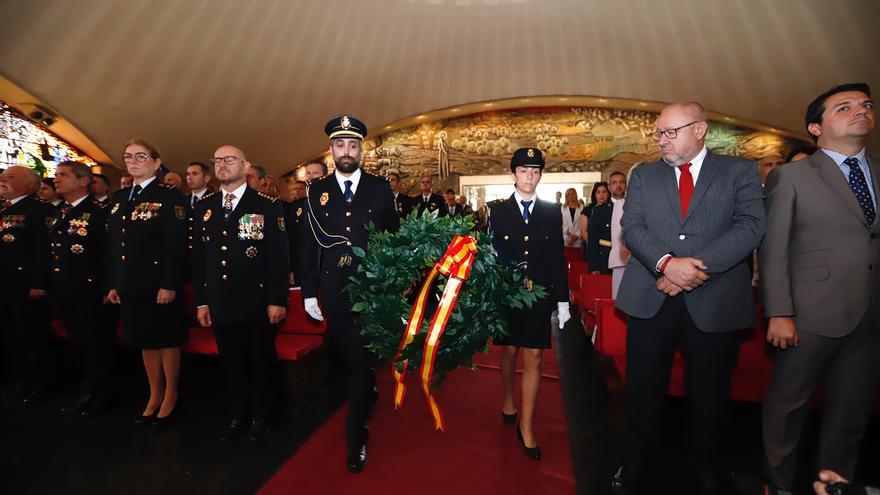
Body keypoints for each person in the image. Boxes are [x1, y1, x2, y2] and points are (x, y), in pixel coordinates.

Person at [613, 102, 764, 494]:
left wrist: (691, 270)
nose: (661, 140)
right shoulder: (644, 175)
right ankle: (634, 460)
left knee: (710, 393)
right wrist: (666, 264)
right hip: (651, 296)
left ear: (700, 130)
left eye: (670, 132)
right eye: (658, 133)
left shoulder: (739, 171)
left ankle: (706, 463)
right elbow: (633, 228)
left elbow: (750, 227)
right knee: (642, 390)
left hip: (715, 299)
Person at [760, 83, 879, 495]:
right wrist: (779, 311)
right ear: (816, 126)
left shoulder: (878, 170)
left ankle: (834, 486)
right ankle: (781, 486)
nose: (860, 111)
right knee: (788, 409)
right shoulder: (791, 176)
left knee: (850, 414)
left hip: (870, 314)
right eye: (844, 107)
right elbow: (773, 247)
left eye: (865, 105)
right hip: (809, 314)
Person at [298, 115, 399, 473]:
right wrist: (309, 292)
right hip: (334, 290)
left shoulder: (380, 189)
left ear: (361, 151)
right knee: (346, 357)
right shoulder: (315, 191)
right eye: (340, 145)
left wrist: (393, 283)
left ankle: (356, 436)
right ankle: (367, 382)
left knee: (358, 359)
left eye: (352, 145)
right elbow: (309, 246)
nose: (346, 151)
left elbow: (393, 239)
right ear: (331, 151)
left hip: (371, 289)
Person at [193, 145, 289, 445]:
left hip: (256, 300)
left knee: (260, 360)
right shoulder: (204, 207)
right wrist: (202, 300)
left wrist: (277, 299)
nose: (222, 164)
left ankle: (262, 415)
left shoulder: (267, 204)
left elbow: (278, 257)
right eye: (217, 160)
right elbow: (200, 259)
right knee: (231, 362)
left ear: (245, 165)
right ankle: (238, 414)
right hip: (221, 301)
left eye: (229, 159)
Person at [490, 147, 570, 461]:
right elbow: (490, 255)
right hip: (508, 295)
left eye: (535, 172)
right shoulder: (497, 211)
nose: (530, 177)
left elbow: (557, 258)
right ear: (513, 175)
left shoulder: (552, 211)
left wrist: (563, 301)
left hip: (539, 294)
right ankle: (509, 396)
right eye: (524, 171)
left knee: (534, 356)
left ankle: (526, 425)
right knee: (509, 350)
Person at [106, 139, 187, 426]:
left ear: (156, 161)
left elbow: (175, 245)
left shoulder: (168, 195)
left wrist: (169, 284)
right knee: (143, 339)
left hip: (158, 283)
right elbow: (116, 244)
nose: (134, 161)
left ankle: (172, 393)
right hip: (131, 282)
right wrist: (115, 283)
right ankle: (154, 393)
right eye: (129, 156)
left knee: (165, 338)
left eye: (141, 156)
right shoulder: (119, 198)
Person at [51, 161, 113, 415]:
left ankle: (101, 394)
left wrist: (108, 287)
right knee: (78, 343)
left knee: (95, 345)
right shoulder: (60, 213)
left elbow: (107, 254)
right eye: (56, 175)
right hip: (65, 289)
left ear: (83, 181)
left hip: (90, 290)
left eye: (63, 175)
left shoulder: (98, 213)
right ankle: (85, 391)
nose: (56, 179)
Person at [0, 165, 53, 401]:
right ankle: (18, 380)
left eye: (10, 177)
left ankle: (40, 383)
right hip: (5, 283)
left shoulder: (38, 210)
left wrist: (39, 283)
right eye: (2, 176)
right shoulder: (4, 209)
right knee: (9, 334)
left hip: (26, 285)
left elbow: (44, 251)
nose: (2, 179)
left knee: (32, 336)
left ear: (29, 184)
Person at [579, 182, 613, 274]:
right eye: (598, 192)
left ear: (608, 193)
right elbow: (584, 231)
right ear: (594, 194)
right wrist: (594, 246)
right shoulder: (588, 209)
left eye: (604, 192)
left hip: (610, 249)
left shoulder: (613, 208)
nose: (601, 194)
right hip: (593, 248)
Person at [608, 170, 630, 298]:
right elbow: (619, 236)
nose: (619, 186)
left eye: (622, 182)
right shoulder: (619, 205)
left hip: (642, 261)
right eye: (615, 183)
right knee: (619, 300)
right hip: (621, 257)